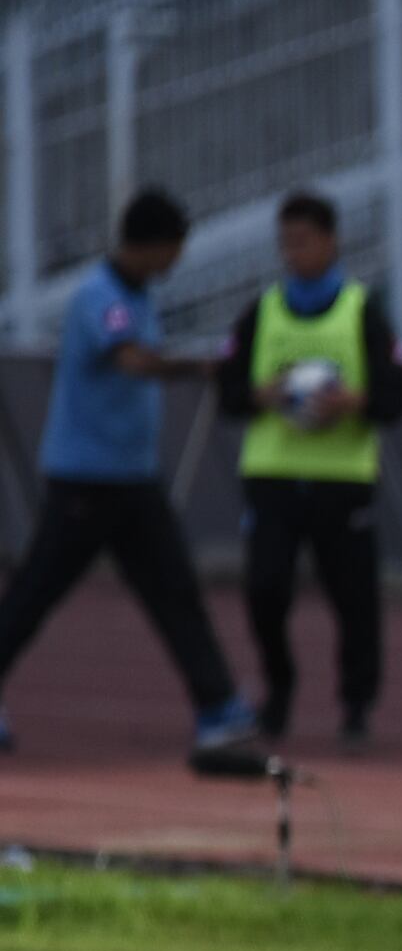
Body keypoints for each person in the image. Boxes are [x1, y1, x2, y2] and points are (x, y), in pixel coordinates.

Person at [0, 188, 260, 764]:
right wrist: (199, 367)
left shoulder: (138, 296)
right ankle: (216, 701)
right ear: (153, 245)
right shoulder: (102, 297)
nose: (176, 262)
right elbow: (131, 360)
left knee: (174, 590)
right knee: (37, 591)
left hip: (132, 478)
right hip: (86, 479)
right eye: (173, 249)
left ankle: (217, 705)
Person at [210, 190, 402, 749]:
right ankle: (278, 688)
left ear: (331, 240)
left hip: (343, 478)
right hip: (274, 474)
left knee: (354, 598)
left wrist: (355, 402)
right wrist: (261, 394)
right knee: (265, 588)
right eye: (286, 243)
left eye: (303, 240)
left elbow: (398, 394)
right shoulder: (263, 312)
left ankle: (356, 705)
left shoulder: (361, 311)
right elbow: (227, 390)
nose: (293, 253)